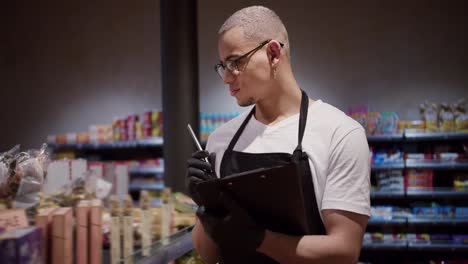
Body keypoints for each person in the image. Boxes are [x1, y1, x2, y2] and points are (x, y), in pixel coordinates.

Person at [186, 5, 370, 264]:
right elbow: (209, 253)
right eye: (222, 66)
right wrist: (206, 204)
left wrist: (260, 239)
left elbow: (344, 251)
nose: (226, 78)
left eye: (235, 62)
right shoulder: (220, 139)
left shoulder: (341, 133)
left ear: (273, 53)